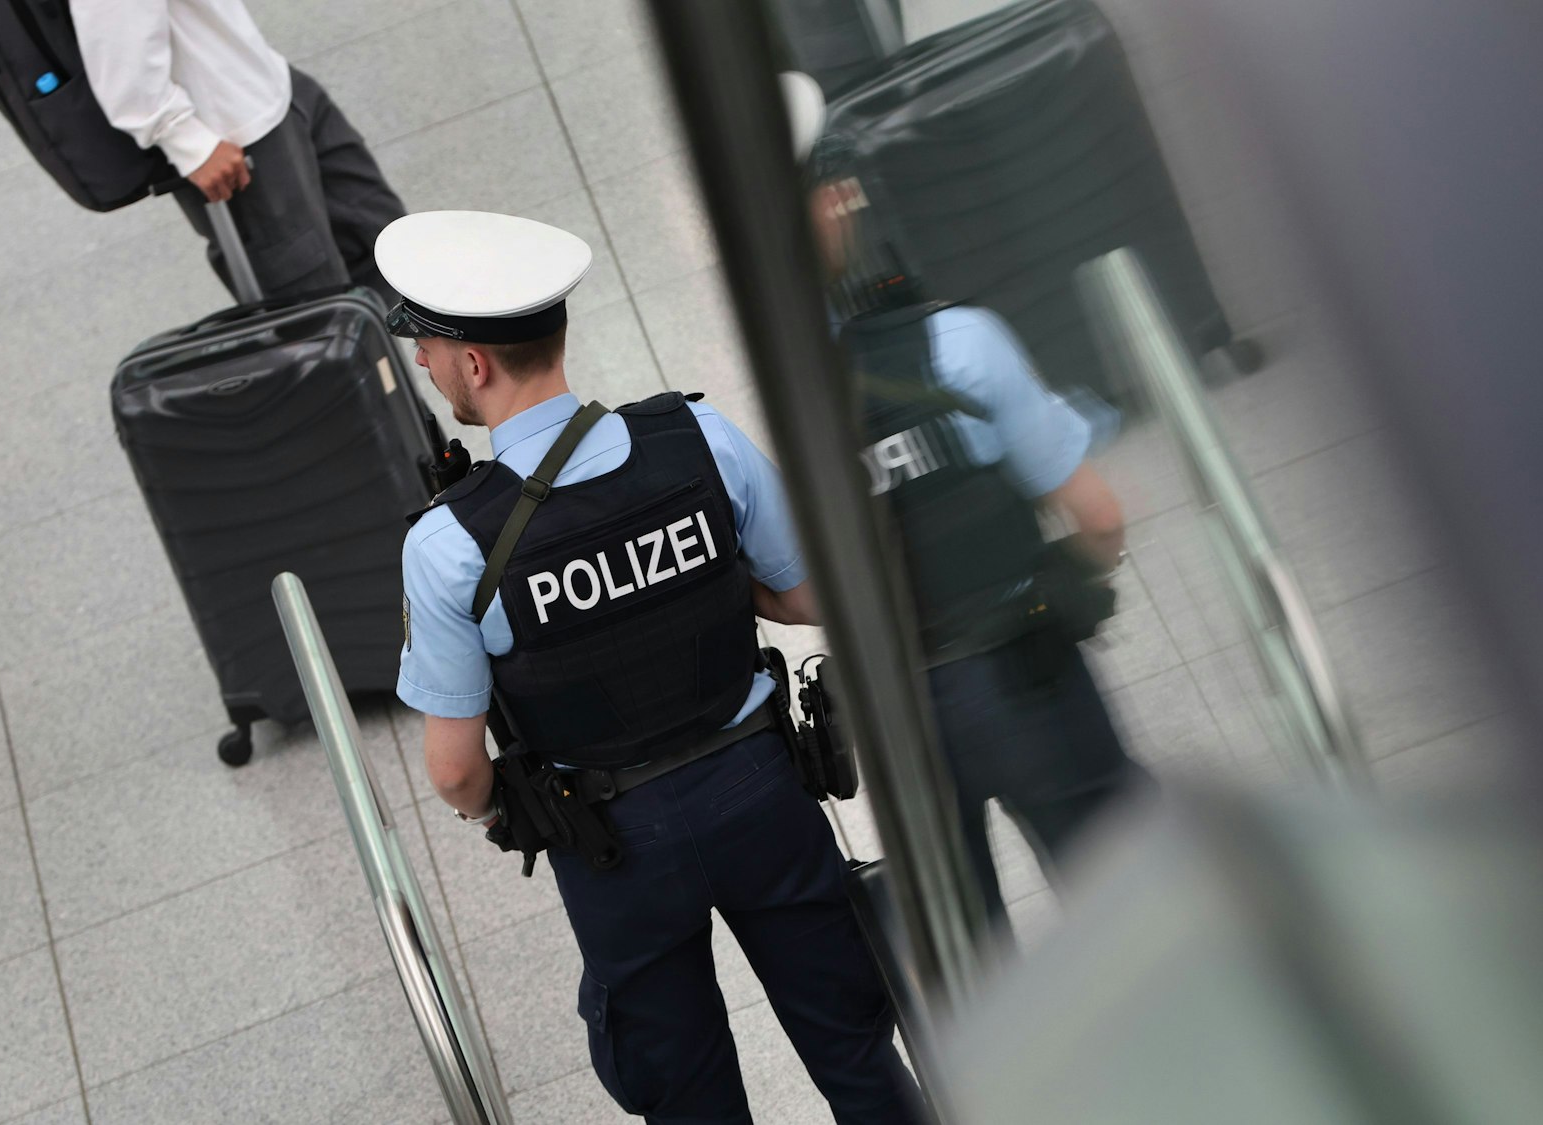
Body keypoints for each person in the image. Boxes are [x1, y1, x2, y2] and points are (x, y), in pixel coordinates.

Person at [381, 209, 921, 1125]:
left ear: (473, 364)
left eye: (427, 349)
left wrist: (496, 809)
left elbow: (457, 770)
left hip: (612, 843)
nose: (426, 368)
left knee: (689, 1101)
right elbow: (808, 596)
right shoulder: (697, 443)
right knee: (858, 1051)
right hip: (763, 792)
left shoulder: (448, 545)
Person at [787, 73, 1155, 924]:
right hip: (1025, 673)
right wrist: (1067, 575)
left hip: (901, 717)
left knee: (967, 952)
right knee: (1136, 911)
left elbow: (800, 589)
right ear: (836, 203)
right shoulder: (958, 343)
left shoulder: (783, 399)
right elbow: (1098, 516)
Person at [71, 0, 405, 302]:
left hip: (267, 83)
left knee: (388, 252)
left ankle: (391, 368)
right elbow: (114, 43)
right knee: (315, 308)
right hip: (226, 139)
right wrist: (185, 139)